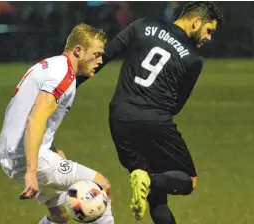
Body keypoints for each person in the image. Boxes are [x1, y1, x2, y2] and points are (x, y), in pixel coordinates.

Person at [76, 2, 224, 223]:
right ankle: (148, 179)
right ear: (196, 22)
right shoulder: (193, 60)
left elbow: (100, 59)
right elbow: (176, 106)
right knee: (187, 181)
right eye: (209, 30)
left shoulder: (141, 26)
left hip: (119, 118)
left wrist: (68, 86)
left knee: (157, 199)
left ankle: (147, 180)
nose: (209, 38)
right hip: (155, 121)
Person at [0, 24, 114, 224]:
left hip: (12, 153)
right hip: (28, 157)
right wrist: (32, 171)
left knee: (59, 215)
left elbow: (38, 117)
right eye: (96, 54)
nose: (100, 61)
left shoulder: (53, 65)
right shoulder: (63, 76)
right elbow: (35, 118)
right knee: (100, 187)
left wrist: (52, 149)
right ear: (78, 50)